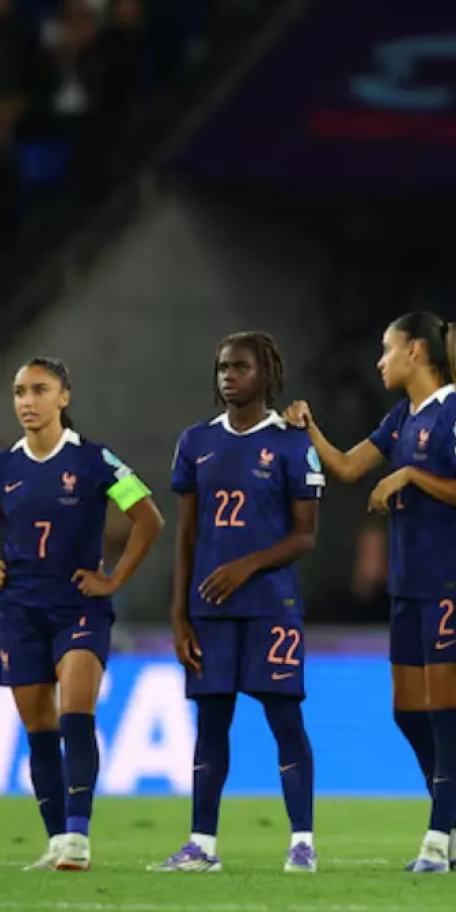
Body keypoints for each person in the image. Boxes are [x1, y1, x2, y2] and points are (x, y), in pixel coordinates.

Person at [285, 312, 456, 871]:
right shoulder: (403, 416)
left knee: (447, 717)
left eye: (386, 348)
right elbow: (349, 468)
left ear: (416, 352)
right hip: (407, 586)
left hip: (450, 583)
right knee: (407, 713)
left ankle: (435, 840)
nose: (379, 360)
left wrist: (410, 477)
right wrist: (309, 430)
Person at [0, 357, 163, 870]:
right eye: (19, 392)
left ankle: (78, 836)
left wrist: (114, 579)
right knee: (40, 730)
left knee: (76, 714)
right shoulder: (2, 467)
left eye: (39, 390)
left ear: (63, 398)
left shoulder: (93, 460)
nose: (27, 401)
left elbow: (148, 518)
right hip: (20, 611)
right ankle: (55, 842)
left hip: (79, 607)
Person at [153, 332, 326, 874]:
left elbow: (306, 536)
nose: (229, 375)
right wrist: (179, 612)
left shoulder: (294, 444)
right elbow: (185, 536)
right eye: (223, 367)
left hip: (272, 605)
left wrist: (247, 566)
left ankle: (302, 842)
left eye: (241, 367)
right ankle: (202, 844)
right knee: (210, 725)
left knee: (285, 720)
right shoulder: (195, 442)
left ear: (266, 375)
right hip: (209, 610)